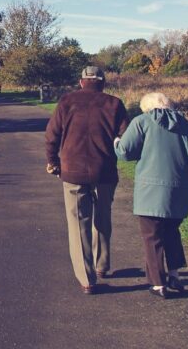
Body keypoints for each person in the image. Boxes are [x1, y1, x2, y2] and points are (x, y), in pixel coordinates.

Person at [114, 92, 188, 299]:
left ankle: (158, 283)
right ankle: (174, 275)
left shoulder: (142, 122)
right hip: (179, 192)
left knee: (152, 237)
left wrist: (116, 142)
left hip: (150, 193)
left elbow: (125, 152)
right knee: (171, 232)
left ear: (147, 108)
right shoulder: (187, 126)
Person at [45, 66, 129, 294]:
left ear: (81, 82)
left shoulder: (67, 101)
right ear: (102, 83)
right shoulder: (115, 103)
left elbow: (52, 134)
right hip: (105, 171)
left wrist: (52, 161)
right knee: (102, 217)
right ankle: (102, 265)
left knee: (78, 224)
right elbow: (125, 137)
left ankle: (87, 279)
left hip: (73, 171)